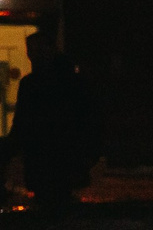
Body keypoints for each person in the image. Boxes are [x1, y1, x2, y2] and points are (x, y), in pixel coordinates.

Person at [3, 26, 101, 210]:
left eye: (37, 50)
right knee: (59, 204)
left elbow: (23, 122)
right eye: (31, 50)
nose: (33, 55)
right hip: (61, 155)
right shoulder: (71, 80)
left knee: (48, 204)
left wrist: (13, 147)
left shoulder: (34, 84)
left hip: (46, 155)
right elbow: (90, 116)